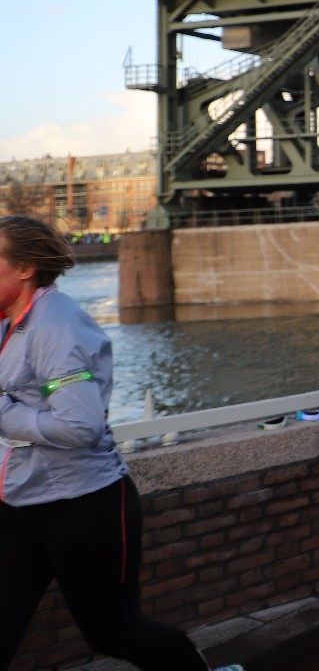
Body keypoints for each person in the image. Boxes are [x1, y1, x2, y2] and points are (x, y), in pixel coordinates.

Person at [0, 216, 244, 671]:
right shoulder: (10, 322)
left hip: (81, 506)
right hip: (18, 501)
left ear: (25, 268)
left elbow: (80, 426)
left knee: (114, 632)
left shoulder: (55, 326)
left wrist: (3, 413)